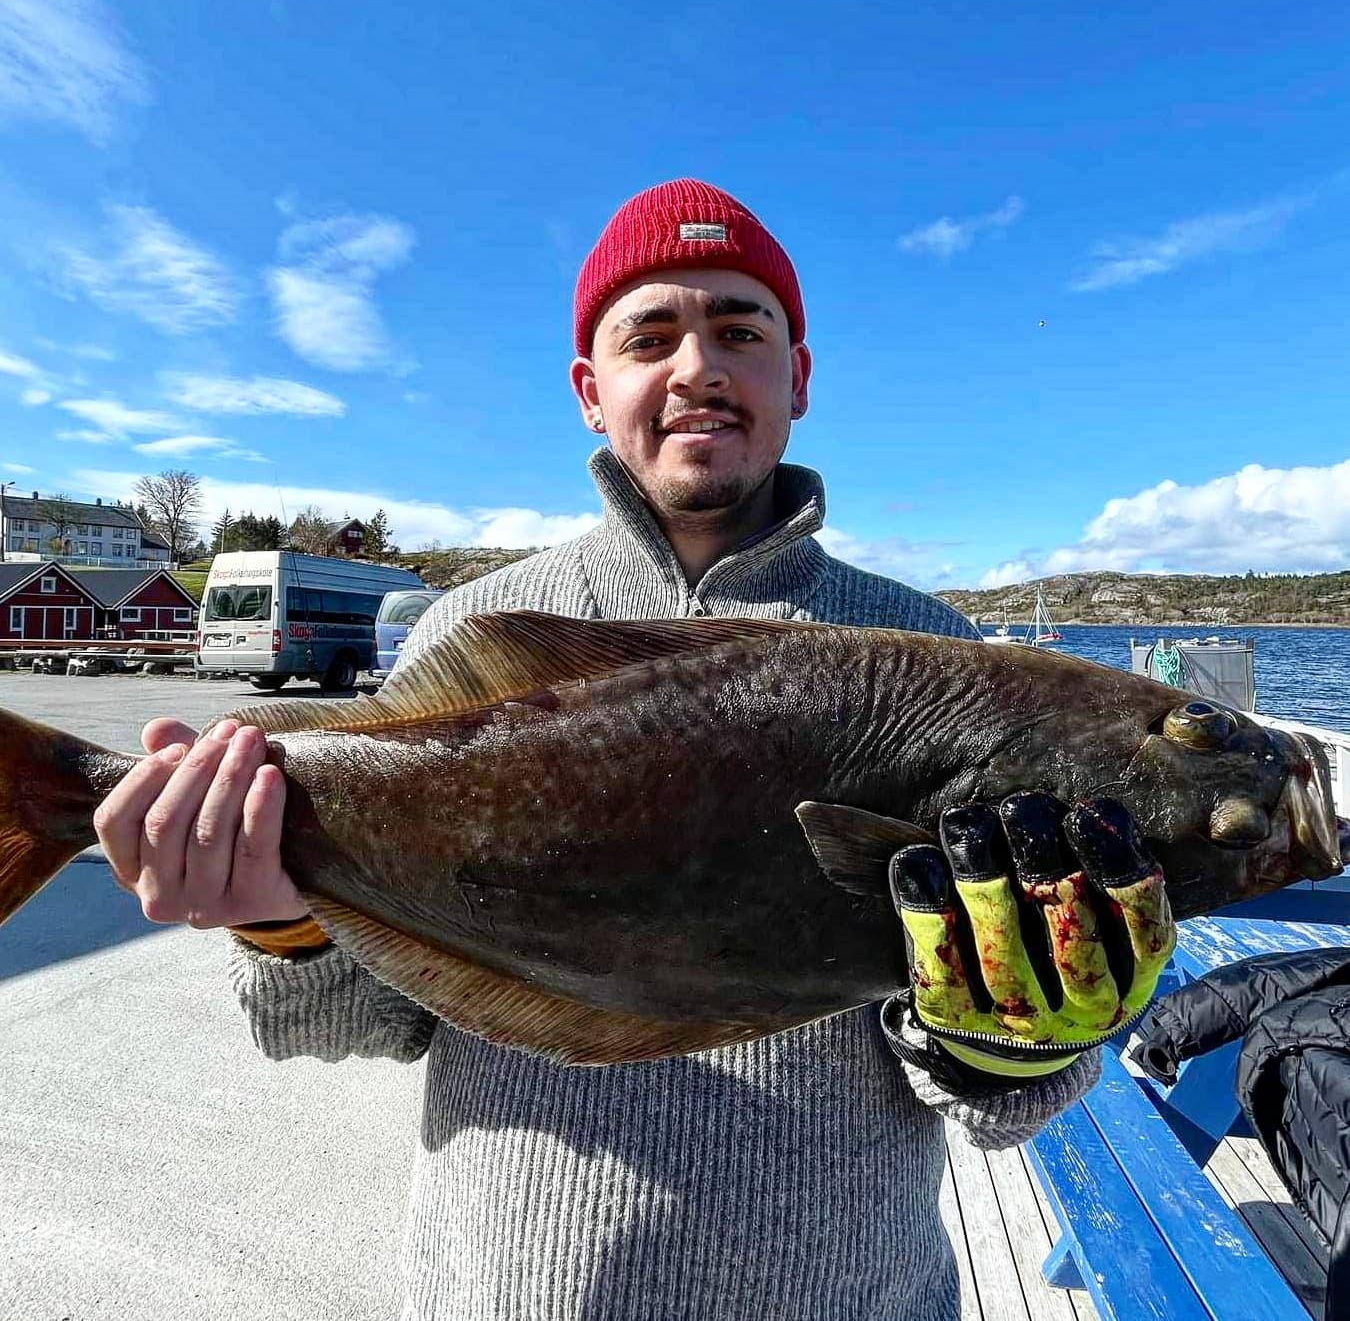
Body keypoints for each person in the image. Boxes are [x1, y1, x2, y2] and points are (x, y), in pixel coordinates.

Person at [93, 179, 1172, 1320]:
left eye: (739, 331)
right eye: (650, 337)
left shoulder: (940, 657)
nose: (697, 367)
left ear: (798, 377)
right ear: (589, 392)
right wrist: (282, 920)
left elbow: (998, 1103)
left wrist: (1014, 1040)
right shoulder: (471, 632)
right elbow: (357, 1023)